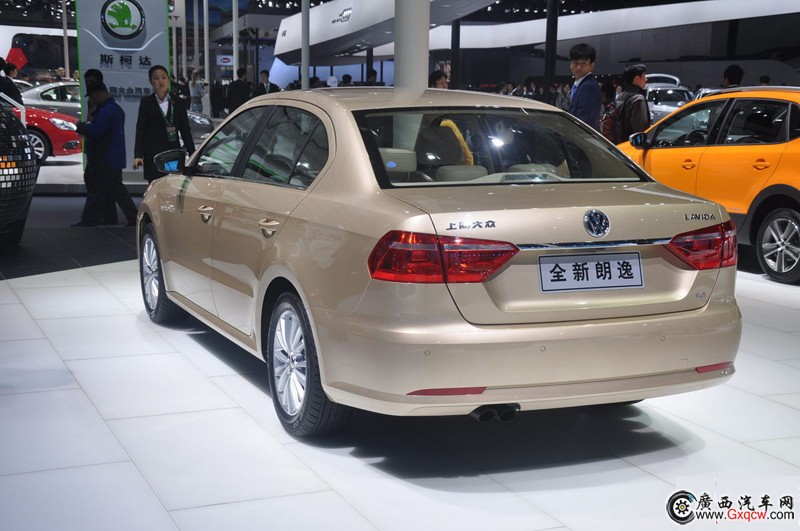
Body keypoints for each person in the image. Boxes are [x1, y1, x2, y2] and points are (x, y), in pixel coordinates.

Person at [72, 82, 138, 227]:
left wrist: (82, 127)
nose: (92, 100)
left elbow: (97, 131)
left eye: (93, 97)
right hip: (114, 158)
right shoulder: (115, 109)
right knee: (116, 189)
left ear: (98, 94)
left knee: (97, 190)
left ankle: (90, 219)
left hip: (105, 157)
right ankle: (131, 217)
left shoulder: (106, 111)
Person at [132, 65, 195, 183]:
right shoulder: (146, 102)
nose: (160, 81)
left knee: (172, 185)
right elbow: (141, 130)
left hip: (173, 153)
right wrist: (138, 155)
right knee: (155, 186)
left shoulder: (179, 102)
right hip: (152, 154)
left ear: (168, 80)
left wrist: (193, 154)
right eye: (156, 78)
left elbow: (185, 130)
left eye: (164, 77)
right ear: (151, 81)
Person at [567, 43, 602, 131]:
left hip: (581, 135)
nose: (578, 67)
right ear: (570, 64)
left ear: (592, 66)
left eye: (583, 63)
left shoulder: (588, 86)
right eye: (575, 62)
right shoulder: (579, 84)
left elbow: (583, 121)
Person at [616, 63, 650, 141]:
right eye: (644, 76)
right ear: (637, 79)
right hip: (631, 144)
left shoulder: (620, 96)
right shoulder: (638, 99)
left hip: (618, 142)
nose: (646, 79)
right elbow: (640, 128)